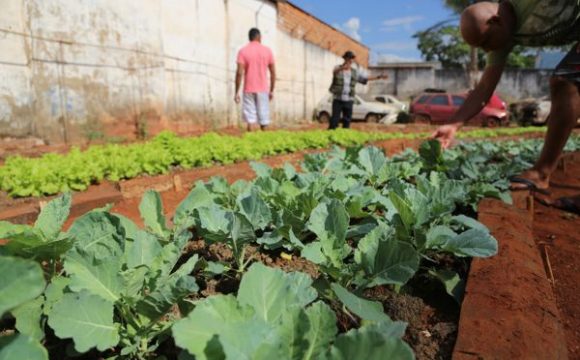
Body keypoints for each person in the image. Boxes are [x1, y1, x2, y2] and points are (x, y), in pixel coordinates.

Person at [430, 1, 580, 213]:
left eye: (485, 42)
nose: (486, 49)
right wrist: (453, 125)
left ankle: (541, 173)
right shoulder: (502, 34)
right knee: (566, 80)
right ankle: (541, 173)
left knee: (565, 80)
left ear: (495, 21)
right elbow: (484, 87)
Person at [328, 51, 388, 130]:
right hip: (337, 99)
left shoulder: (354, 72)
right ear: (345, 58)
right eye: (349, 58)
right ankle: (332, 134)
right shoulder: (338, 68)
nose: (350, 60)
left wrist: (378, 77)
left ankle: (345, 135)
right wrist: (342, 68)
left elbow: (364, 79)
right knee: (335, 119)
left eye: (352, 58)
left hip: (349, 100)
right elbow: (334, 72)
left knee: (347, 120)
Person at [235, 28, 276, 131]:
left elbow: (239, 73)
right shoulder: (267, 51)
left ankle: (250, 144)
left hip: (248, 89)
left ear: (249, 38)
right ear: (259, 37)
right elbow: (273, 72)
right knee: (264, 121)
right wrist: (271, 90)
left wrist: (236, 92)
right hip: (263, 90)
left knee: (250, 120)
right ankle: (265, 145)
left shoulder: (242, 51)